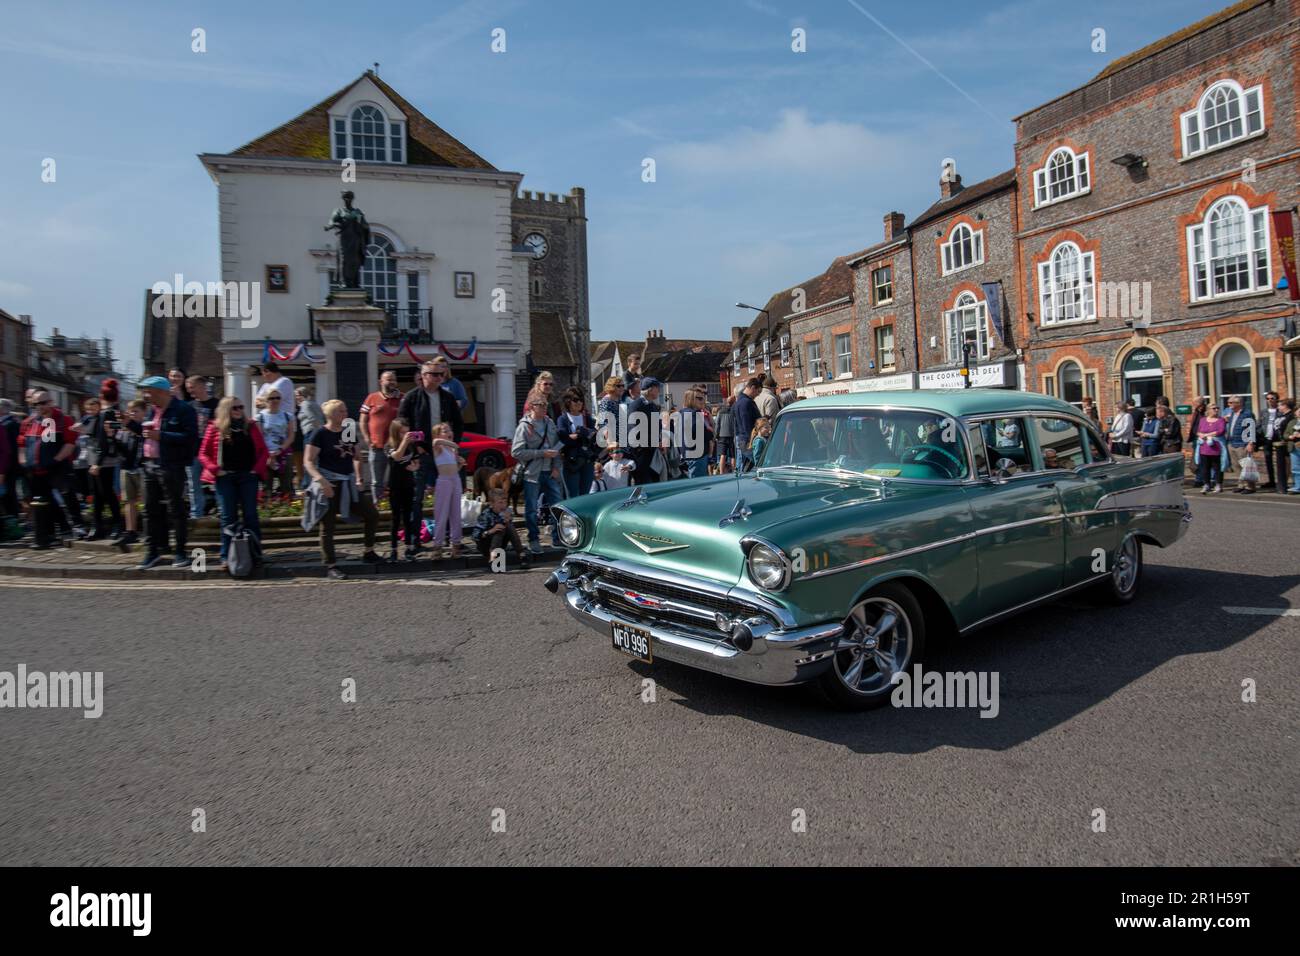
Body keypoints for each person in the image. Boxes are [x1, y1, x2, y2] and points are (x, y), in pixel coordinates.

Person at [302, 399, 382, 580]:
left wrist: (359, 477)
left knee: (371, 514)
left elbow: (355, 456)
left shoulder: (348, 429)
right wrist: (321, 480)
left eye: (345, 410)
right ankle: (330, 565)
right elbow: (308, 461)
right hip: (329, 483)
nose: (345, 414)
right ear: (330, 414)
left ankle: (368, 551)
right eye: (341, 411)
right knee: (327, 526)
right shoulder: (320, 434)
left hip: (348, 483)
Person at [135, 375, 198, 570]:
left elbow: (190, 438)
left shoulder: (184, 410)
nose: (146, 395)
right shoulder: (150, 412)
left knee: (176, 509)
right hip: (149, 465)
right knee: (149, 510)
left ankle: (180, 552)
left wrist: (161, 435)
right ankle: (152, 551)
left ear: (161, 391)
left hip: (171, 466)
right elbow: (146, 435)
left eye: (149, 391)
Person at [398, 360, 465, 539]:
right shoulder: (412, 397)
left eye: (441, 374)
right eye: (434, 374)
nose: (439, 378)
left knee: (451, 496)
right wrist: (414, 448)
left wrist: (454, 446)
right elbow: (402, 425)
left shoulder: (447, 397)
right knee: (417, 497)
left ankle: (452, 538)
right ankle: (414, 539)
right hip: (423, 452)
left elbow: (458, 423)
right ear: (424, 375)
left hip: (444, 452)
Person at [199, 395, 268, 566]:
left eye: (241, 407)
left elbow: (263, 451)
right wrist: (216, 470)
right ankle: (226, 555)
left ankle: (255, 553)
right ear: (225, 410)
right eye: (234, 408)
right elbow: (203, 453)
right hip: (226, 477)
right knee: (228, 517)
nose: (239, 411)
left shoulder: (250, 426)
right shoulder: (215, 428)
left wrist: (255, 470)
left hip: (247, 476)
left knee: (251, 515)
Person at [18, 391, 76, 549]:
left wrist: (55, 460)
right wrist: (24, 462)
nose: (40, 407)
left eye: (43, 403)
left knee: (61, 497)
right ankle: (47, 534)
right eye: (36, 404)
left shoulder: (63, 420)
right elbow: (23, 445)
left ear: (51, 402)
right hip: (34, 470)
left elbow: (70, 444)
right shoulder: (29, 422)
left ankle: (67, 528)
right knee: (42, 502)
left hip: (55, 468)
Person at [511, 395, 564, 553]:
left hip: (550, 471)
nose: (543, 407)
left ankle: (557, 538)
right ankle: (533, 539)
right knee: (531, 508)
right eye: (540, 404)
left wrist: (556, 467)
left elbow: (556, 447)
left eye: (545, 404)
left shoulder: (550, 423)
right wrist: (541, 453)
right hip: (532, 473)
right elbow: (516, 452)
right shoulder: (524, 426)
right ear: (532, 406)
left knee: (557, 506)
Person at [86, 379, 124, 540]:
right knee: (100, 494)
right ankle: (99, 526)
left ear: (102, 396)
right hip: (101, 457)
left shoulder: (107, 413)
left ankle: (114, 525)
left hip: (102, 459)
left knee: (105, 493)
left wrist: (97, 462)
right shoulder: (114, 412)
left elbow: (105, 440)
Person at [360, 370, 402, 499]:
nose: (392, 382)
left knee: (397, 480)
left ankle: (395, 504)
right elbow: (363, 420)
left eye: (393, 379)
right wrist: (367, 438)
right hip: (376, 446)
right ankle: (377, 506)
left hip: (397, 447)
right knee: (376, 481)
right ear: (381, 381)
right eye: (388, 379)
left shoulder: (403, 398)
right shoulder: (371, 398)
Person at [384, 418, 421, 561]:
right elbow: (397, 456)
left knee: (407, 517)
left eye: (407, 432)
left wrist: (415, 467)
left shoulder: (412, 446)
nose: (406, 435)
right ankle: (393, 549)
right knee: (395, 518)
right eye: (402, 433)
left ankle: (408, 548)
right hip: (395, 485)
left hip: (408, 484)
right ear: (395, 433)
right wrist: (405, 442)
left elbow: (417, 461)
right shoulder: (389, 445)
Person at [429, 422, 466, 558]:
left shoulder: (452, 450)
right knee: (441, 514)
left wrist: (460, 464)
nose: (449, 432)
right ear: (438, 434)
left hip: (454, 479)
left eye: (449, 429)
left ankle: (456, 544)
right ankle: (437, 546)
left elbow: (454, 468)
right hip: (443, 480)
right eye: (445, 430)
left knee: (456, 513)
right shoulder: (438, 446)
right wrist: (453, 444)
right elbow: (435, 441)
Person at [114, 399, 146, 548]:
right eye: (130, 411)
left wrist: (128, 423)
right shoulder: (124, 430)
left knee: (146, 502)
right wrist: (111, 436)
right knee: (129, 501)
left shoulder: (145, 426)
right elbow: (119, 450)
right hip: (127, 468)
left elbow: (141, 433)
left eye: (136, 411)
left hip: (142, 468)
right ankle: (131, 532)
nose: (132, 414)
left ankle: (148, 532)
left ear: (143, 413)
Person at [186, 376, 218, 518]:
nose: (190, 390)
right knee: (194, 485)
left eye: (192, 387)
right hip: (194, 452)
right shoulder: (189, 406)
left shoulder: (216, 404)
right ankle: (196, 514)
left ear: (202, 386)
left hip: (212, 453)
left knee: (217, 482)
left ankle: (222, 510)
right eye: (188, 388)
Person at [470, 487, 528, 566]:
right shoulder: (486, 515)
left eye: (505, 502)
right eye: (500, 503)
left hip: (500, 545)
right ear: (492, 504)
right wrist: (491, 531)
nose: (503, 505)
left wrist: (507, 521)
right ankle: (493, 557)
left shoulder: (506, 512)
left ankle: (521, 555)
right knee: (499, 529)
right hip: (486, 546)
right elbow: (475, 536)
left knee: (508, 526)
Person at [255, 390, 295, 501]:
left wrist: (280, 449)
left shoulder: (288, 416)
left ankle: (287, 508)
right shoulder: (260, 417)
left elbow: (291, 436)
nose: (275, 400)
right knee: (267, 485)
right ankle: (267, 510)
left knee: (286, 485)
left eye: (277, 398)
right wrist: (268, 454)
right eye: (271, 398)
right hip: (266, 454)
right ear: (266, 400)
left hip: (283, 453)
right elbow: (259, 438)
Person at [557, 388, 598, 498]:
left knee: (585, 495)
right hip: (572, 461)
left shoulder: (586, 417)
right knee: (573, 495)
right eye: (575, 400)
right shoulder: (563, 419)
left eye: (581, 400)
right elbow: (562, 438)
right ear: (568, 402)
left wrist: (586, 432)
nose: (579, 402)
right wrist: (576, 436)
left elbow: (595, 435)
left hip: (587, 460)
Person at [627, 377, 666, 484]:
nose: (659, 391)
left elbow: (657, 427)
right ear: (650, 389)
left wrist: (659, 441)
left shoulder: (653, 406)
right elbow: (634, 430)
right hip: (641, 452)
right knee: (643, 483)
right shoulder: (636, 405)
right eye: (657, 388)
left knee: (655, 482)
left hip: (652, 451)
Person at [675, 388, 712, 479]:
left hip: (686, 455)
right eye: (699, 398)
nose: (703, 401)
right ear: (691, 399)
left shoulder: (681, 413)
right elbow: (707, 435)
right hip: (697, 457)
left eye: (703, 398)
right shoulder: (695, 414)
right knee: (699, 487)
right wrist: (710, 430)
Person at [1224, 396, 1258, 494]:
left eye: (1231, 403)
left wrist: (1251, 443)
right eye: (1228, 402)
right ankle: (1241, 484)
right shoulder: (1232, 414)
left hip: (1243, 443)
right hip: (1232, 442)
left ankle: (1250, 486)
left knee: (1246, 466)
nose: (1228, 404)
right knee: (1236, 465)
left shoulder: (1247, 414)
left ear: (1238, 403)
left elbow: (1251, 429)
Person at [1193, 402, 1228, 494]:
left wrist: (1208, 434)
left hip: (1216, 447)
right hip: (1204, 447)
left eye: (1217, 408)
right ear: (1208, 410)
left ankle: (1218, 484)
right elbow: (1198, 431)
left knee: (1217, 467)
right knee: (1205, 467)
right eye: (1214, 408)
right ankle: (1206, 484)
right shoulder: (1203, 420)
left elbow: (1221, 431)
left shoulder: (1221, 420)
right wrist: (1200, 434)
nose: (1216, 410)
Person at [733, 377, 761, 471]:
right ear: (753, 388)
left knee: (745, 468)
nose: (757, 395)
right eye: (758, 392)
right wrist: (752, 440)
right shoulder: (745, 403)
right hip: (748, 441)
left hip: (744, 440)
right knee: (749, 469)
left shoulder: (741, 401)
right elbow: (746, 425)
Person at [0, 399, 21, 522]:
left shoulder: (10, 424)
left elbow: (10, 449)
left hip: (8, 466)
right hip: (7, 465)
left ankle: (12, 521)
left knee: (8, 493)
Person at [1268, 397, 1294, 494]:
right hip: (1277, 444)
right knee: (1280, 466)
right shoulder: (1279, 416)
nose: (1278, 407)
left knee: (1287, 465)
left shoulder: (1290, 417)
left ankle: (1284, 486)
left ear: (1285, 406)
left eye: (1280, 405)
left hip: (1285, 444)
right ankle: (1281, 485)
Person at [1259, 391, 1283, 491]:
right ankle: (1271, 481)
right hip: (1266, 438)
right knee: (1268, 460)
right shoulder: (1264, 411)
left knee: (1281, 461)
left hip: (1277, 438)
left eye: (1272, 398)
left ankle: (1282, 481)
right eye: (1268, 399)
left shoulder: (1280, 411)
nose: (1269, 400)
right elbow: (1259, 424)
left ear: (1276, 399)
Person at [1282, 401, 1300, 495]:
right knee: (1295, 468)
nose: (1299, 412)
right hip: (1294, 448)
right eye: (1298, 411)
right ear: (1295, 412)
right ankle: (1297, 487)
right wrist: (1290, 437)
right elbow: (1285, 434)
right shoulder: (1292, 422)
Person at [714, 396, 735, 474]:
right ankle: (734, 471)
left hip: (722, 436)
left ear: (727, 402)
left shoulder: (720, 411)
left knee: (723, 455)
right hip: (732, 435)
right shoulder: (734, 411)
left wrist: (716, 435)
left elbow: (717, 425)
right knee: (733, 455)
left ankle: (721, 472)